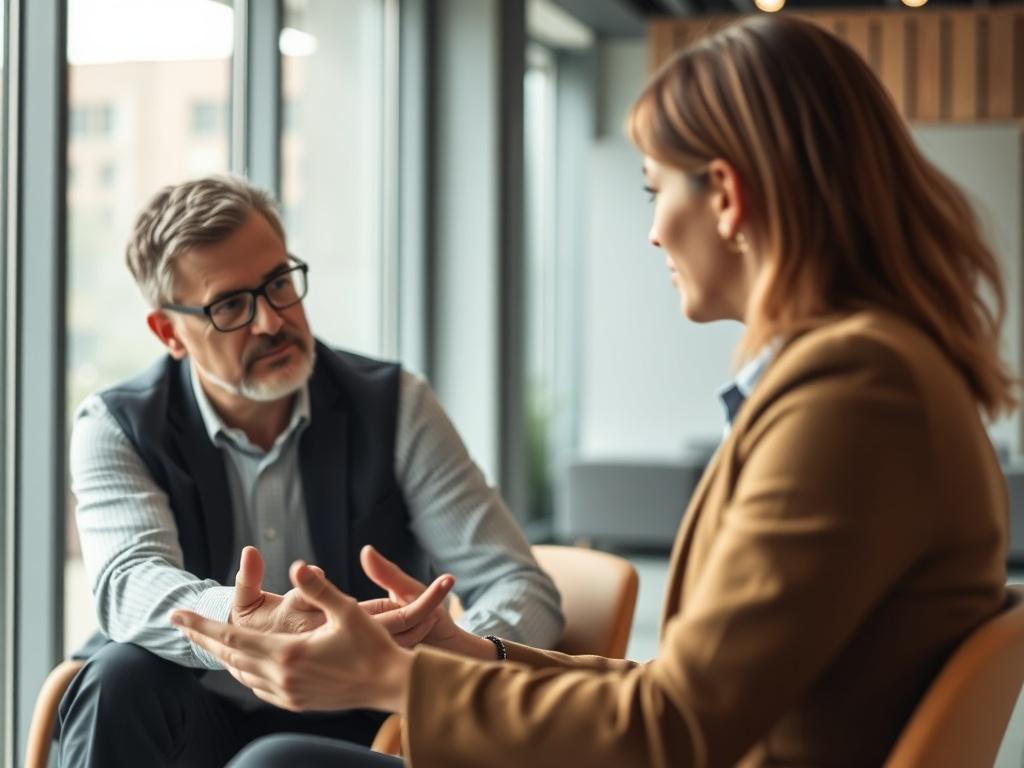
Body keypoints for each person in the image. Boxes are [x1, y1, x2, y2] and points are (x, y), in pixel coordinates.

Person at [173, 15, 1016, 768]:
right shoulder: (877, 374)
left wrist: (392, 679)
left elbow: (675, 731)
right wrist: (462, 658)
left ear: (726, 196)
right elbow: (690, 697)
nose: (652, 231)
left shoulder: (853, 398)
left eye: (656, 189)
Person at [58, 175, 564, 768]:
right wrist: (251, 625)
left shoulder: (394, 405)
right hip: (187, 717)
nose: (271, 321)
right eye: (230, 306)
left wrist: (432, 669)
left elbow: (519, 585)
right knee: (119, 675)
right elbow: (127, 582)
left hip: (356, 728)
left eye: (278, 284)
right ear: (170, 332)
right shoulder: (117, 424)